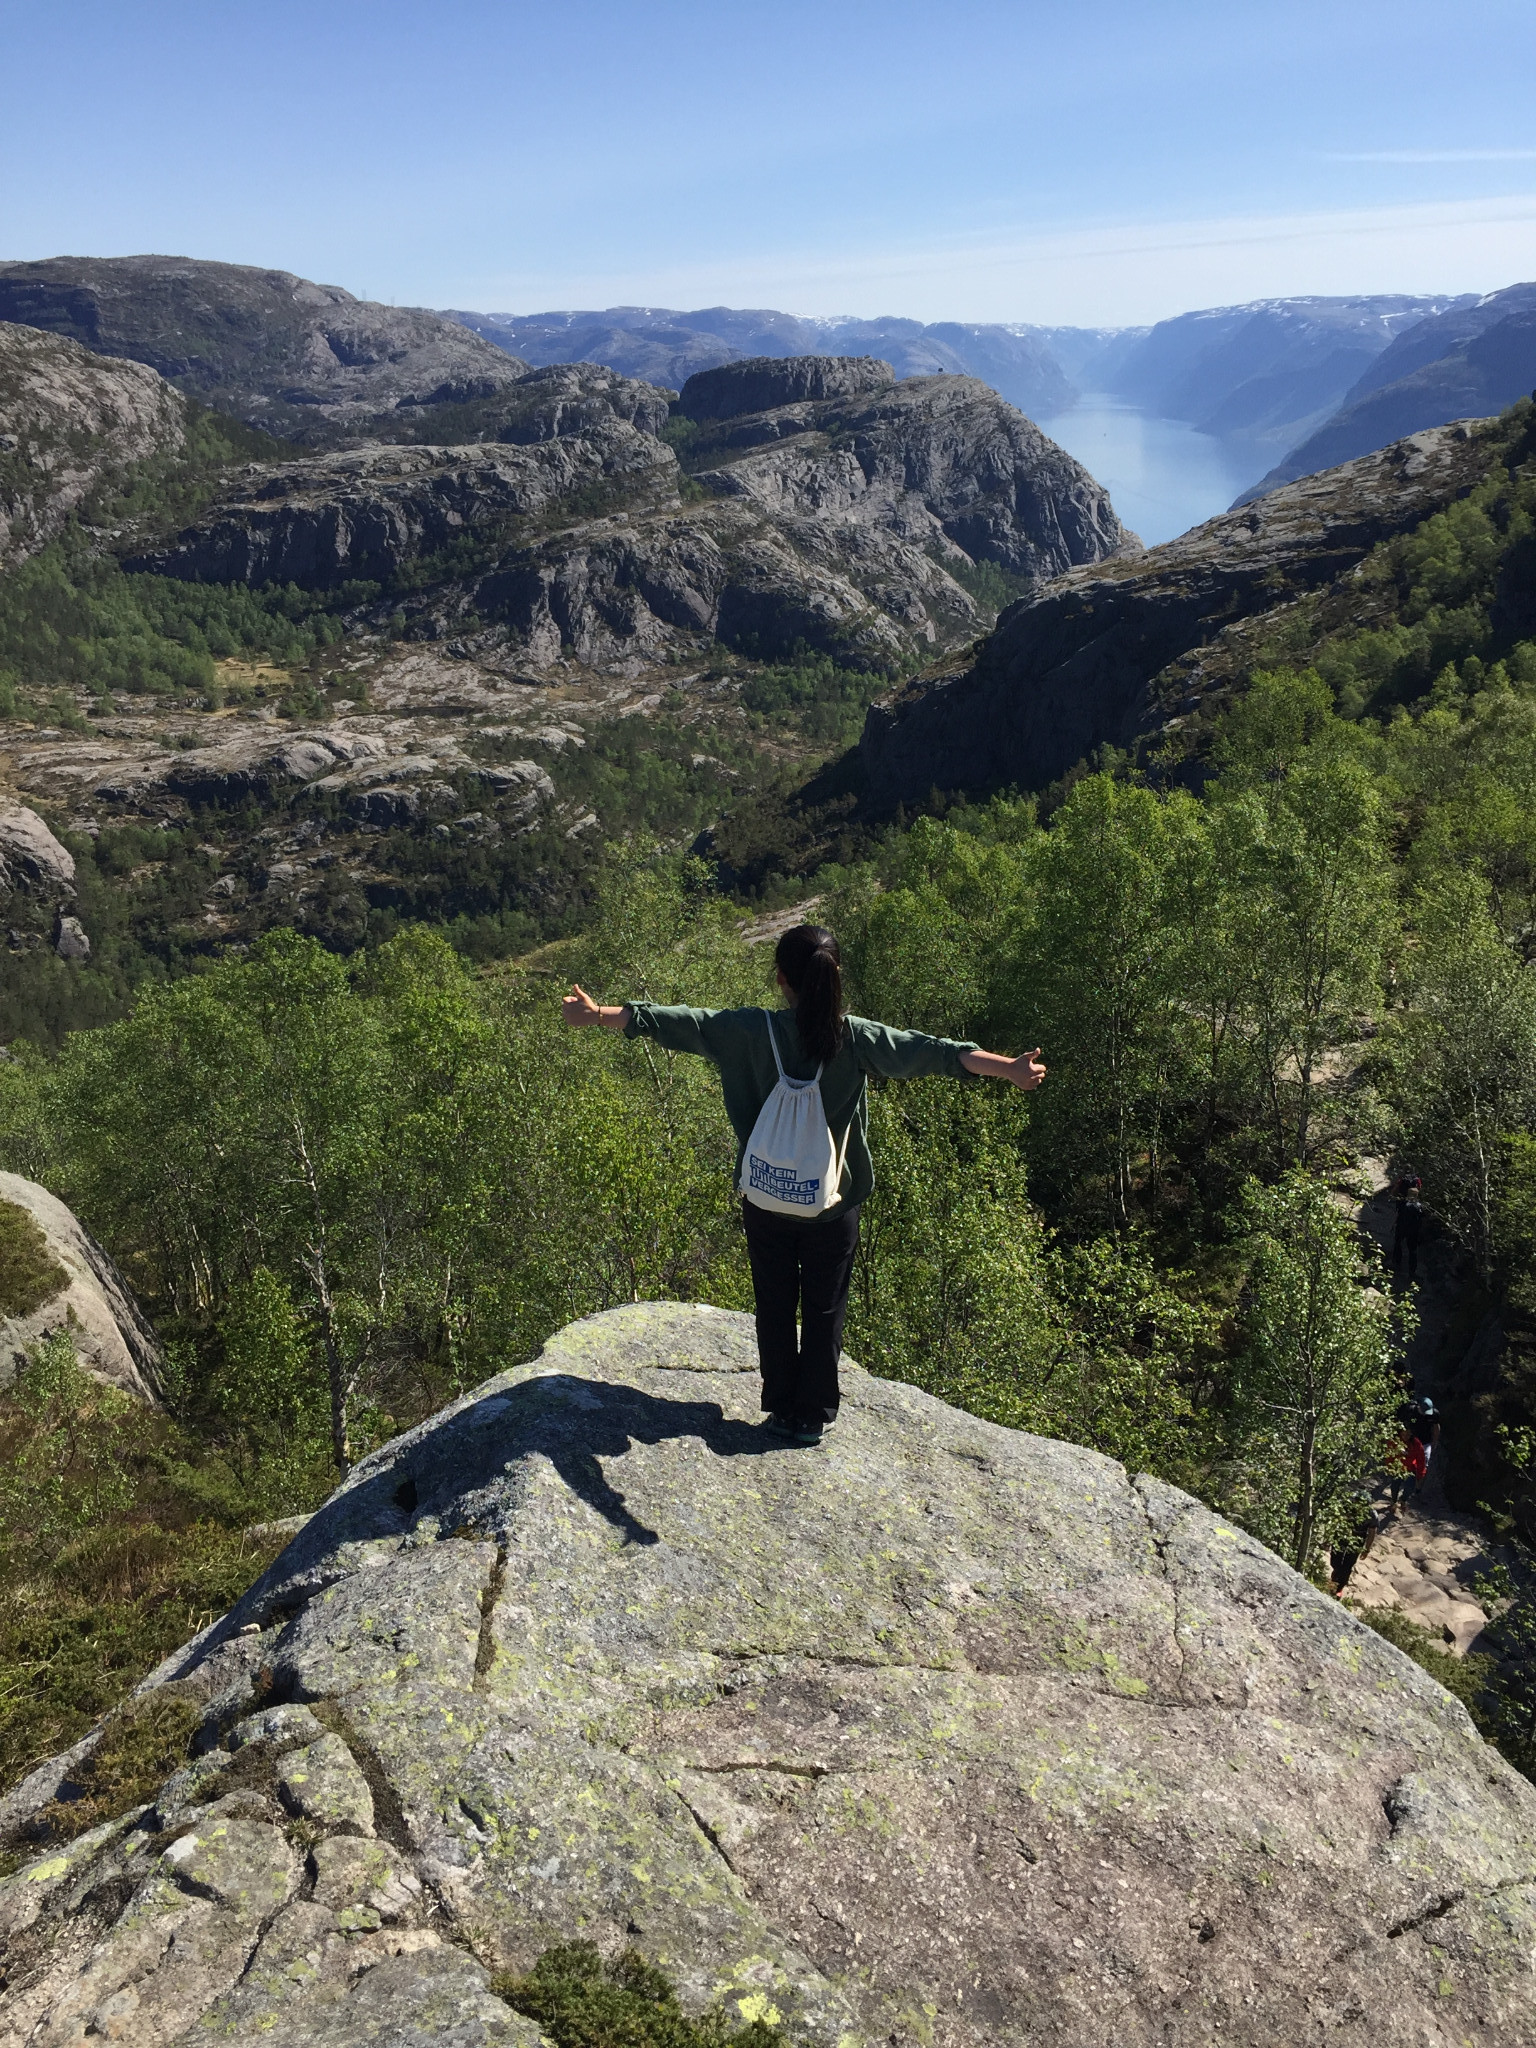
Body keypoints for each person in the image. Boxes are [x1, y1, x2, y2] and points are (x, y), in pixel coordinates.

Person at [562, 922, 1046, 1446]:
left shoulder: (746, 1030)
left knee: (773, 1303)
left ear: (781, 979)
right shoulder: (855, 1038)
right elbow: (934, 1052)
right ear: (834, 977)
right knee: (823, 1307)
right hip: (831, 1206)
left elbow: (679, 1022)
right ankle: (810, 1414)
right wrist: (1010, 1069)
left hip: (765, 1199)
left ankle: (780, 1409)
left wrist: (599, 1016)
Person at [1391, 1172, 1426, 1282]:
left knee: (1398, 1242)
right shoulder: (1419, 1206)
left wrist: (1393, 1224)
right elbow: (1422, 1219)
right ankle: (1412, 1272)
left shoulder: (1402, 1203)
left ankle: (1396, 1264)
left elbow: (1394, 1195)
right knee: (1413, 1250)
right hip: (1413, 1229)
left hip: (1402, 1224)